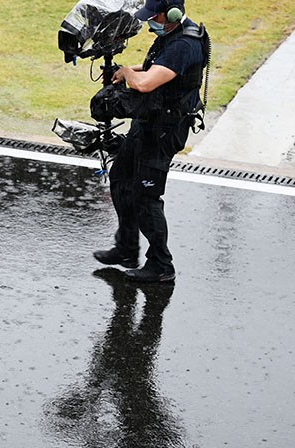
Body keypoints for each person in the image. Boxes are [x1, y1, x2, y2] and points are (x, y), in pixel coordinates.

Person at [93, 0, 208, 282]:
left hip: (164, 130)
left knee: (147, 196)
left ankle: (161, 265)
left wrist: (130, 75)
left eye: (153, 16)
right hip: (149, 122)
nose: (149, 22)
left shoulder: (185, 44)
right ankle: (127, 247)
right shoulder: (172, 35)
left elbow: (145, 83)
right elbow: (155, 68)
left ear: (171, 13)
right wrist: (126, 70)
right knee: (121, 177)